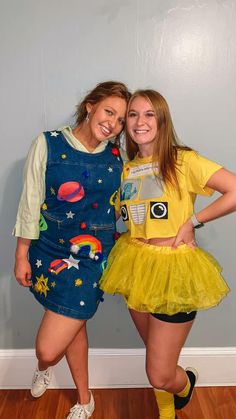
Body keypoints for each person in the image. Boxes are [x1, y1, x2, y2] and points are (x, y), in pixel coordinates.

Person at [100, 89, 236, 419]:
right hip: (135, 265)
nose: (139, 121)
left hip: (174, 271)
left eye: (149, 114)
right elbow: (126, 215)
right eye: (132, 114)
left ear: (162, 120)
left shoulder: (183, 160)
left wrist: (193, 221)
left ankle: (185, 385)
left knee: (160, 372)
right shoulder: (128, 169)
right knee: (155, 356)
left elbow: (234, 190)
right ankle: (167, 411)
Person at [13, 81, 131, 419]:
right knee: (74, 323)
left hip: (93, 256)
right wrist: (21, 254)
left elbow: (123, 202)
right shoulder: (47, 143)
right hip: (48, 249)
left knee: (48, 348)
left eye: (121, 120)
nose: (114, 123)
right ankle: (84, 399)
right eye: (110, 111)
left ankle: (44, 364)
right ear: (91, 106)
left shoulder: (115, 156)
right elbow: (30, 202)